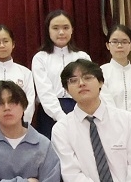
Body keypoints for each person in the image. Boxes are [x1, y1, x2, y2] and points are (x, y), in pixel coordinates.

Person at [31, 10, 88, 139]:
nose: (61, 32)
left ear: (72, 30)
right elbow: (45, 92)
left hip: (80, 109)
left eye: (66, 28)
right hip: (49, 114)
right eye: (55, 28)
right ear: (48, 31)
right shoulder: (40, 58)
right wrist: (61, 117)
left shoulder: (82, 57)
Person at [99, 24, 131, 122]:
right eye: (114, 42)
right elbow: (104, 103)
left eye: (124, 42)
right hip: (109, 125)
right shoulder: (101, 73)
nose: (119, 46)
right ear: (107, 45)